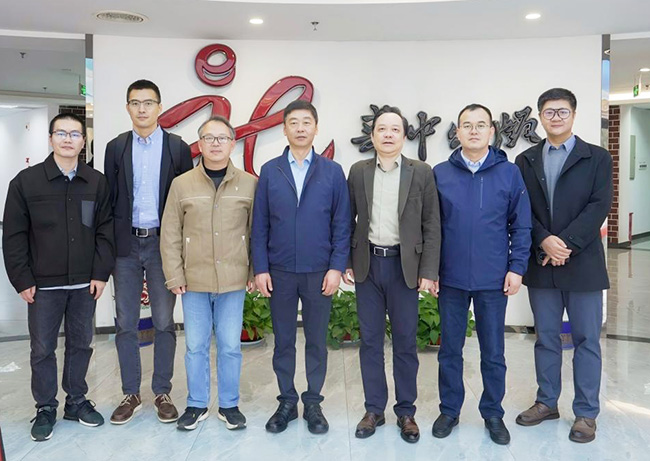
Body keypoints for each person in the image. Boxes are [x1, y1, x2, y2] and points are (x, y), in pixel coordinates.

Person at [3, 113, 115, 441]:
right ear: (50, 138)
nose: (68, 139)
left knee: (81, 344)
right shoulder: (26, 182)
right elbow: (13, 236)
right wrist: (22, 279)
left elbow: (105, 230)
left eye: (75, 134)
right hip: (43, 285)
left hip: (84, 284)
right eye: (61, 133)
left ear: (83, 141)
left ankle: (76, 401)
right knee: (42, 348)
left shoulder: (96, 182)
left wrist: (100, 273)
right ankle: (45, 407)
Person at [515, 88, 612, 443]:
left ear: (573, 114)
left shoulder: (597, 157)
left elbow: (599, 205)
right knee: (546, 337)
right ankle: (546, 402)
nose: (555, 117)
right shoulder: (525, 160)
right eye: (549, 112)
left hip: (583, 264)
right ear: (540, 116)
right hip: (542, 262)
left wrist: (566, 243)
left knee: (586, 340)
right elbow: (521, 208)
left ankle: (586, 413)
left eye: (562, 111)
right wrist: (544, 240)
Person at [432, 103, 531, 445]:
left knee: (493, 352)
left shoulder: (509, 173)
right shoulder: (441, 173)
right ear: (457, 132)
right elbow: (431, 228)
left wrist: (516, 268)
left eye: (480, 125)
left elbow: (521, 225)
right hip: (451, 278)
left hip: (493, 278)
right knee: (450, 350)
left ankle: (492, 413)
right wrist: (431, 271)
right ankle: (449, 410)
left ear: (492, 131)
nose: (473, 131)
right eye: (466, 125)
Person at [251, 100, 351, 435]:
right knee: (283, 340)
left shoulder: (332, 172)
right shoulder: (270, 171)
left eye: (306, 122)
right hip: (279, 271)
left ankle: (313, 403)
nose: (300, 128)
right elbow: (259, 225)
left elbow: (342, 224)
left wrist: (336, 267)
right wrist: (260, 268)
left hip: (319, 271)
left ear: (316, 128)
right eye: (293, 122)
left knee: (316, 340)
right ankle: (287, 402)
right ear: (284, 129)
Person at [344, 106, 441, 443]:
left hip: (405, 268)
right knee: (370, 341)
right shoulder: (358, 171)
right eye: (381, 129)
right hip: (368, 266)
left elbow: (432, 224)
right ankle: (374, 409)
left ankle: (406, 411)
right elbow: (347, 220)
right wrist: (346, 261)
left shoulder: (421, 172)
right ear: (372, 136)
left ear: (404, 135)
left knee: (405, 342)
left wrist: (428, 270)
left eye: (394, 129)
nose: (388, 134)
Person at [104, 79, 193, 425]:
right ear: (127, 107)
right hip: (125, 246)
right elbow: (109, 200)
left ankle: (161, 391)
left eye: (148, 103)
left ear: (159, 107)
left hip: (162, 245)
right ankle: (130, 393)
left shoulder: (177, 148)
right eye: (135, 103)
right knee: (125, 322)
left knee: (164, 321)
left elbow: (186, 201)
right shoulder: (115, 147)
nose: (142, 109)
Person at [161, 116, 256, 431]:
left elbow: (256, 232)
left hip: (233, 280)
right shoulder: (182, 184)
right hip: (194, 281)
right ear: (199, 145)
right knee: (195, 346)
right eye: (209, 138)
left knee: (230, 346)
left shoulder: (249, 184)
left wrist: (254, 271)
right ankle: (197, 404)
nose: (216, 144)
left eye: (222, 138)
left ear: (232, 143)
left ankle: (229, 405)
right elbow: (170, 233)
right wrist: (174, 275)